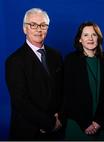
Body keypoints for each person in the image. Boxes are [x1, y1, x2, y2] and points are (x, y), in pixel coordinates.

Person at [5, 8, 64, 140]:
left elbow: (63, 90)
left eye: (43, 25)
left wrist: (60, 118)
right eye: (33, 25)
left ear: (47, 28)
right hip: (29, 132)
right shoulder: (14, 60)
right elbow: (20, 101)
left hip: (56, 130)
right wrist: (49, 123)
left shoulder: (56, 56)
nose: (39, 29)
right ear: (24, 28)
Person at [62, 21, 104, 140]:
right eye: (86, 35)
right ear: (80, 39)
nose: (90, 38)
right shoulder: (71, 60)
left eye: (94, 34)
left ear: (99, 38)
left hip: (102, 123)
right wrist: (85, 123)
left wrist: (99, 121)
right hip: (77, 123)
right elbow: (67, 96)